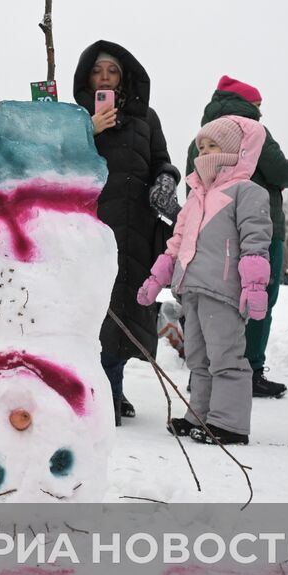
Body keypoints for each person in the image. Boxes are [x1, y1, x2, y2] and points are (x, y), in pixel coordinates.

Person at [138, 116, 272, 445]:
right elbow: (176, 243)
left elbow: (256, 241)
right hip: (192, 289)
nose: (206, 152)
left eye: (214, 145)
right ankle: (200, 414)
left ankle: (229, 423)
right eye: (202, 146)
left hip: (223, 290)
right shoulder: (196, 198)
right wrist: (158, 278)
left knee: (226, 356)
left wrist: (254, 286)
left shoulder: (247, 191)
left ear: (234, 150)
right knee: (198, 358)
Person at [73, 40, 181, 426]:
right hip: (90, 227)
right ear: (87, 76)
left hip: (135, 225)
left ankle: (112, 387)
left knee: (128, 306)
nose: (105, 77)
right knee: (94, 311)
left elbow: (162, 162)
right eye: (98, 71)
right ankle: (99, 394)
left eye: (112, 71)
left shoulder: (146, 118)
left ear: (125, 76)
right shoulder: (73, 117)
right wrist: (88, 130)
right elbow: (56, 162)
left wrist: (165, 182)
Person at [184, 77, 288, 398]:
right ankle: (250, 371)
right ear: (249, 105)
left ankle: (206, 373)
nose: (260, 114)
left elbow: (192, 187)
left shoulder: (201, 139)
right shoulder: (253, 133)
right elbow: (284, 172)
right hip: (260, 230)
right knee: (258, 299)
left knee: (215, 300)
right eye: (258, 107)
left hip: (210, 234)